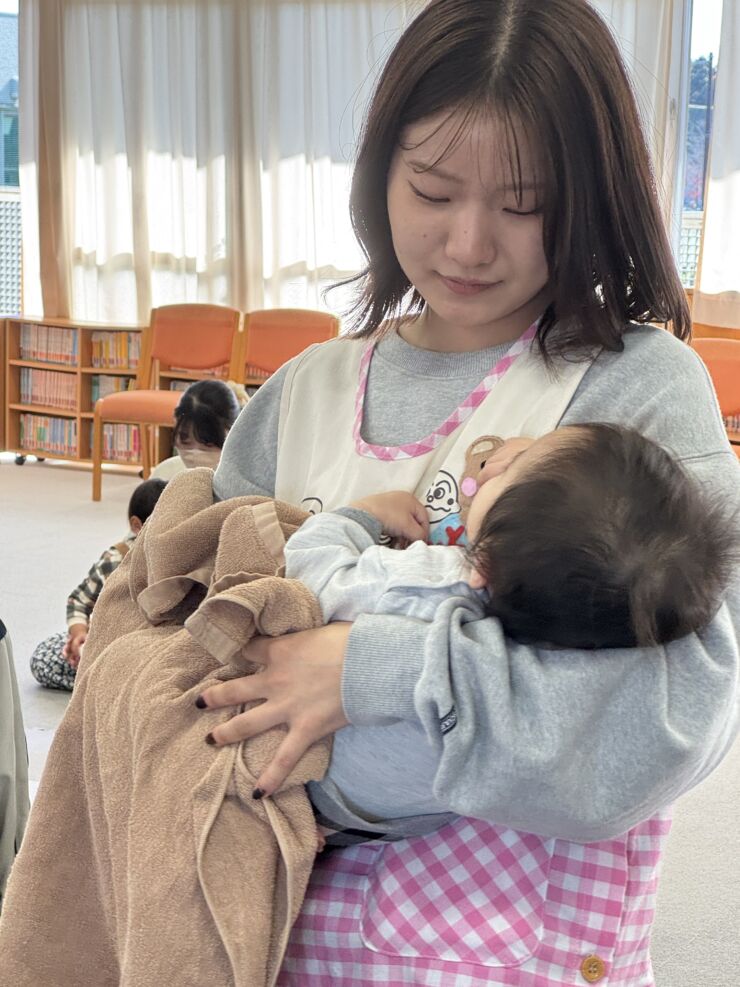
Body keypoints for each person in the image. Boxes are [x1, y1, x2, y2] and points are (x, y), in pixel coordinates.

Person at [200, 1, 739, 982]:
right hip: (264, 936)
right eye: (432, 190)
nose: (468, 244)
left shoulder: (636, 392)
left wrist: (361, 673)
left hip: (512, 950)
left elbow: (665, 716)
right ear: (379, 174)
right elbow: (197, 663)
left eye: (524, 204)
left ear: (594, 194)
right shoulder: (303, 393)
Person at [283, 424, 739, 842]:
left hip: (303, 773)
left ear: (484, 564)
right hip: (387, 820)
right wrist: (537, 477)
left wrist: (360, 516)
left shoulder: (426, 585)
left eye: (516, 467)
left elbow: (310, 569)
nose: (498, 464)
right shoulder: (599, 647)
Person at [29, 478, 167, 691]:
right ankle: (107, 685)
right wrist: (79, 634)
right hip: (108, 646)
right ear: (136, 525)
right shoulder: (116, 559)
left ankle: (111, 685)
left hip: (152, 650)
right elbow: (78, 601)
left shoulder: (182, 557)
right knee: (43, 658)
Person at [151, 378, 243, 480]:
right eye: (185, 439)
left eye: (208, 443)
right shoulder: (165, 473)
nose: (195, 453)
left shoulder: (244, 481)